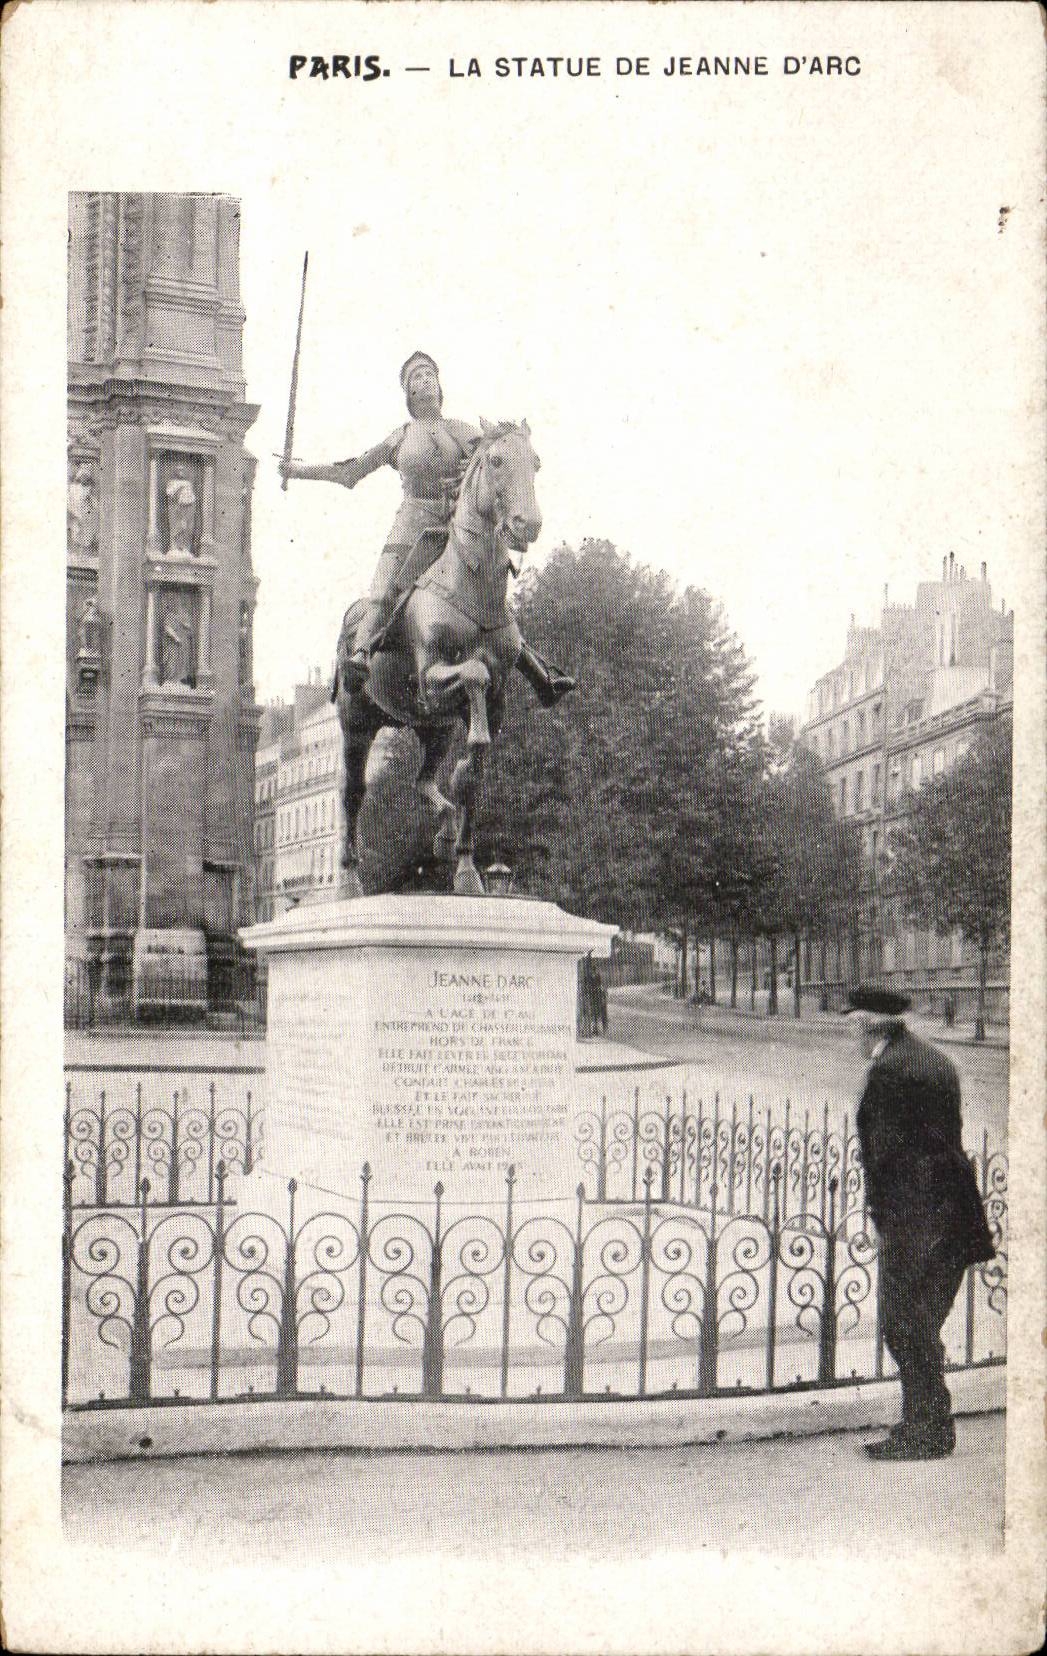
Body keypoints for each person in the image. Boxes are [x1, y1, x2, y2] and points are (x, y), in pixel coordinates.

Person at [280, 352, 574, 705]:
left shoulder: (463, 431)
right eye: (417, 377)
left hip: (456, 527)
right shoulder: (401, 437)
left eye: (430, 374)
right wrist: (298, 470)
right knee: (384, 591)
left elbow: (497, 461)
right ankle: (360, 655)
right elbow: (350, 471)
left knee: (492, 599)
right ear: (409, 391)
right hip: (412, 528)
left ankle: (541, 675)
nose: (425, 380)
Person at [847, 985, 995, 1460]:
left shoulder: (889, 1071)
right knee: (921, 1323)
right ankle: (928, 1424)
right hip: (954, 1212)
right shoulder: (935, 1060)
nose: (851, 1033)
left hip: (916, 1217)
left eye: (854, 1023)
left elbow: (886, 1156)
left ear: (869, 1023)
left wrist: (883, 1220)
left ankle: (927, 1432)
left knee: (904, 1325)